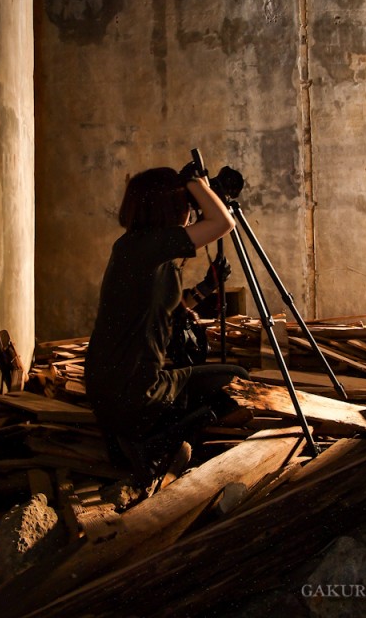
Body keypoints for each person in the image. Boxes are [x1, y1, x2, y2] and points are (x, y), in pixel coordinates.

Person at [84, 164, 250, 481]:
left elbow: (162, 310)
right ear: (170, 206)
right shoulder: (151, 245)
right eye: (186, 203)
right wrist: (195, 183)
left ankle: (129, 436)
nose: (189, 210)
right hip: (136, 393)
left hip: (108, 390)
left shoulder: (136, 247)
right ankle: (150, 443)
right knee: (236, 380)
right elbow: (222, 223)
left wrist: (205, 289)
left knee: (201, 378)